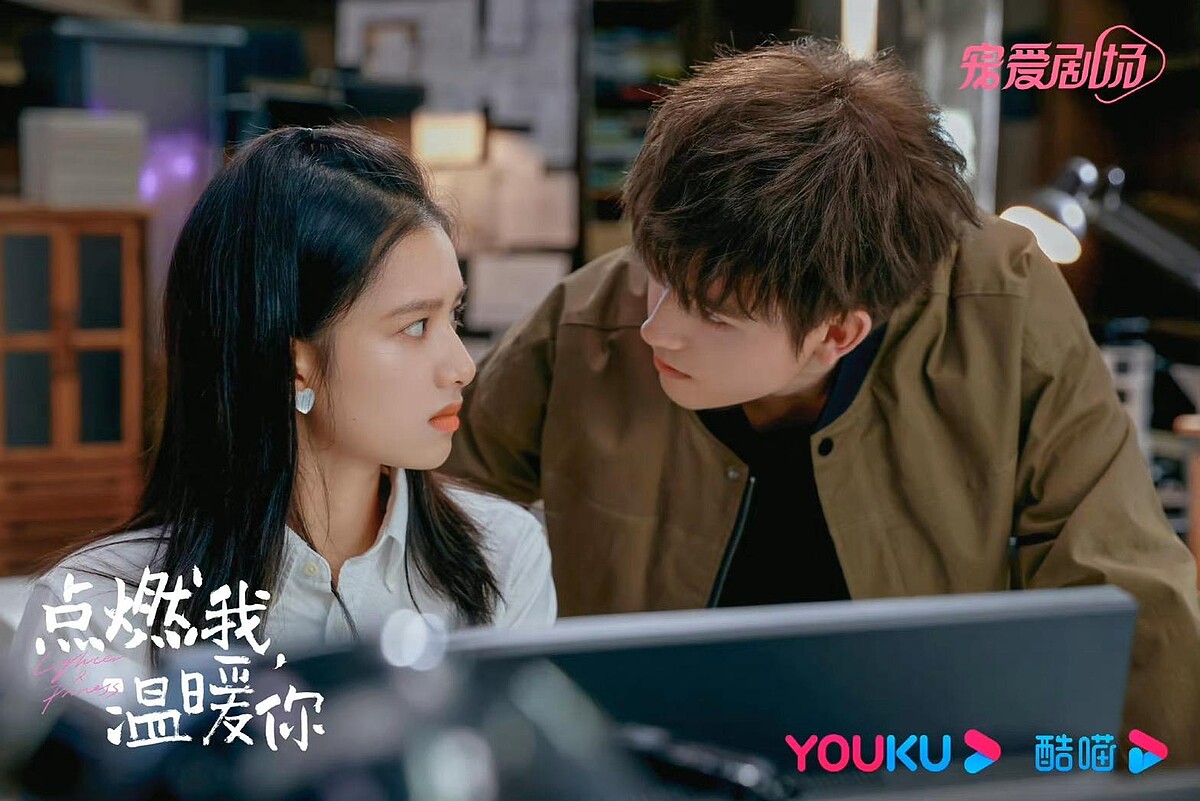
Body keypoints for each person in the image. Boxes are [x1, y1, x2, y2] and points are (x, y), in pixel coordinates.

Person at [442, 40, 1200, 760]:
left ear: (837, 333)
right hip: (643, 759)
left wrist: (1143, 778)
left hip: (914, 760)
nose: (653, 327)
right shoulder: (588, 319)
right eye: (654, 271)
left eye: (711, 314)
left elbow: (1127, 594)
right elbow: (432, 510)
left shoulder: (1002, 308)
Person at [10, 125, 556, 711]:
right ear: (292, 363)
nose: (462, 367)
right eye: (415, 326)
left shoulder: (503, 554)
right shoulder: (94, 613)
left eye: (454, 316)